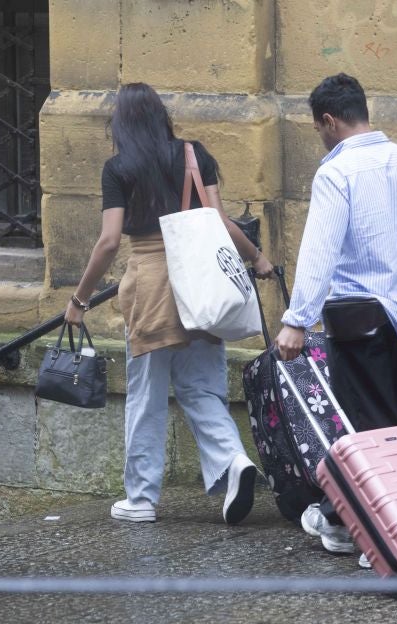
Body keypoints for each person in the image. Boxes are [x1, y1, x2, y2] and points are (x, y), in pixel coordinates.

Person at [273, 73, 397, 567]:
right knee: (377, 420)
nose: (321, 137)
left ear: (329, 121)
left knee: (371, 431)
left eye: (319, 129)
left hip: (356, 318)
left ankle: (388, 539)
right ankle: (339, 518)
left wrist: (297, 319)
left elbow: (319, 250)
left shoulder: (337, 173)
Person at [65, 82, 274, 526]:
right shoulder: (195, 155)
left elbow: (108, 242)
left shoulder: (118, 168)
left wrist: (79, 299)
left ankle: (141, 499)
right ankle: (233, 460)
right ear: (162, 116)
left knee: (147, 393)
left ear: (121, 124)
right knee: (202, 388)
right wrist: (257, 258)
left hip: (152, 287)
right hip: (200, 281)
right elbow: (221, 222)